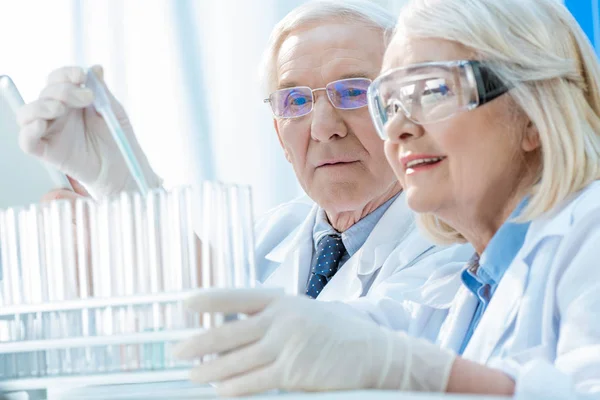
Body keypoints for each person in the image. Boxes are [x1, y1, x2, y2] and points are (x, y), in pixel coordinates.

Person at [171, 0, 600, 398]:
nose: (396, 129)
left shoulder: (590, 231)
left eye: (432, 91)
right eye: (389, 103)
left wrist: (424, 372)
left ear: (532, 112)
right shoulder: (466, 289)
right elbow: (268, 330)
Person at [16, 0, 471, 336]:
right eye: (295, 101)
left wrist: (125, 187)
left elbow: (335, 345)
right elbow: (184, 325)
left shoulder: (452, 242)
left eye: (352, 92)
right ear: (279, 135)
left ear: (405, 112)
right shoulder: (265, 238)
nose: (323, 127)